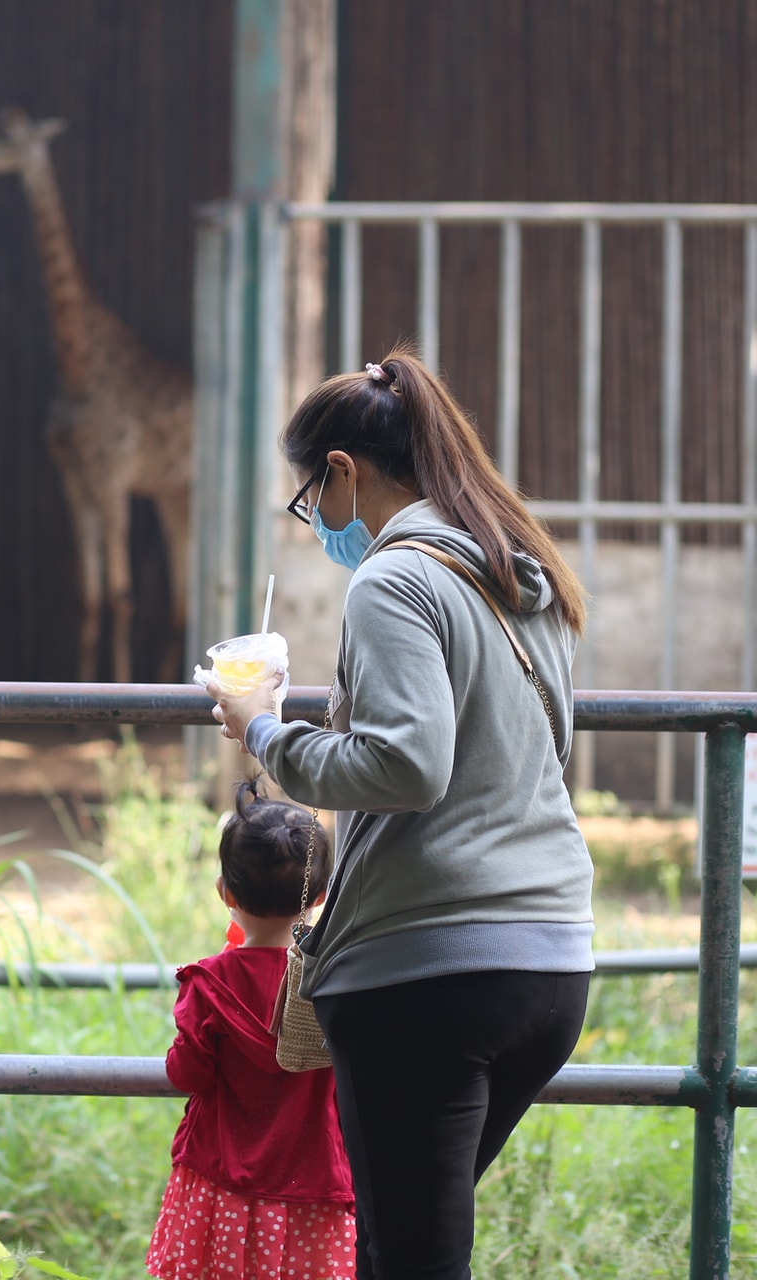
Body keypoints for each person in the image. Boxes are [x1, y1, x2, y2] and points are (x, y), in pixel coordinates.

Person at [207, 348, 593, 1279]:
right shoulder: (516, 573)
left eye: (312, 499)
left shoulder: (392, 579)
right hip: (551, 964)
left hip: (432, 976)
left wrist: (265, 733)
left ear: (343, 470)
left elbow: (408, 765)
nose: (317, 523)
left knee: (406, 1259)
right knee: (406, 1245)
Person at [147, 783, 354, 1280]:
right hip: (314, 1183)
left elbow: (188, 1072)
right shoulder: (335, 980)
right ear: (320, 897)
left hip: (223, 1185)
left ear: (226, 893)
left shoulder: (210, 981)